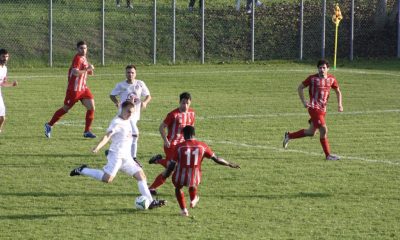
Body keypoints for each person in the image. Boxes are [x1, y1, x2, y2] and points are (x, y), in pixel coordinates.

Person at [70, 101, 166, 209]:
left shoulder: (128, 119)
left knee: (141, 176)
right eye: (128, 111)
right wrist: (98, 147)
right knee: (107, 179)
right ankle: (83, 170)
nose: (130, 114)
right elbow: (107, 136)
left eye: (132, 112)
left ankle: (151, 202)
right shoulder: (116, 122)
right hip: (116, 156)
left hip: (127, 157)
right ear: (122, 109)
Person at [166, 126, 240, 216]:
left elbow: (172, 164)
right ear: (194, 134)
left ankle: (184, 210)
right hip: (195, 177)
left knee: (178, 188)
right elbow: (216, 159)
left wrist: (167, 174)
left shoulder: (179, 147)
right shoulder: (202, 146)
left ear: (184, 135)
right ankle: (193, 199)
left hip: (180, 176)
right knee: (192, 184)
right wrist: (229, 164)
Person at [283, 59, 343, 161]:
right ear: (317, 69)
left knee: (311, 132)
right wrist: (304, 101)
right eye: (320, 68)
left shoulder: (331, 79)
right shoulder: (312, 79)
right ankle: (328, 155)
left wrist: (340, 104)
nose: (322, 70)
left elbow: (338, 91)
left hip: (323, 109)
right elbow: (300, 88)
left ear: (328, 69)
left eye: (324, 68)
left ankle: (289, 136)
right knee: (324, 129)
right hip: (314, 108)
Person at [44, 41, 96, 139]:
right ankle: (49, 125)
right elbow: (75, 72)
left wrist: (89, 71)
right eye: (81, 48)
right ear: (77, 49)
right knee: (65, 109)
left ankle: (87, 131)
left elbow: (84, 70)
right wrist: (87, 70)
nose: (83, 50)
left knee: (91, 107)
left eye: (85, 48)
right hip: (74, 89)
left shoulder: (84, 58)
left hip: (83, 88)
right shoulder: (77, 58)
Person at [148, 92, 195, 195]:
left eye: (187, 103)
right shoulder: (173, 114)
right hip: (171, 145)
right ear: (179, 102)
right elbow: (161, 127)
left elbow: (191, 129)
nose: (185, 105)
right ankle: (151, 188)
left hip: (183, 145)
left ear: (190, 102)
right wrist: (166, 140)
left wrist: (191, 142)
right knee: (171, 168)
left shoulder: (192, 113)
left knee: (175, 167)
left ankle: (158, 160)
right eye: (183, 103)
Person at [108, 64, 151, 163]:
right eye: (128, 72)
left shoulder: (140, 83)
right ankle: (133, 158)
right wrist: (116, 102)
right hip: (124, 115)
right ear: (125, 73)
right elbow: (112, 95)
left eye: (132, 72)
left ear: (135, 73)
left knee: (123, 135)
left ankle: (113, 152)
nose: (130, 74)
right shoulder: (121, 85)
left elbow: (148, 95)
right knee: (135, 134)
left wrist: (144, 102)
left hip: (135, 114)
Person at [0, 49, 18, 134]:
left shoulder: (5, 69)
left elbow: (3, 83)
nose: (5, 58)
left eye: (6, 56)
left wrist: (12, 84)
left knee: (2, 118)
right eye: (3, 56)